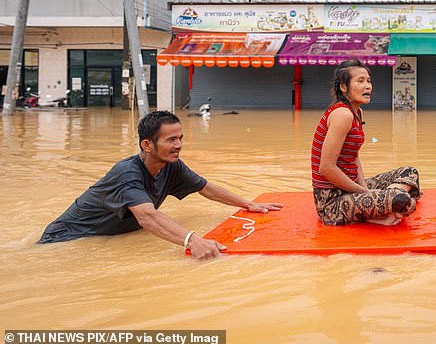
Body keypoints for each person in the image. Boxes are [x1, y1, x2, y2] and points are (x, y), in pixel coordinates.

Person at [38, 110, 282, 259]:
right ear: (147, 145)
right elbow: (147, 217)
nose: (178, 145)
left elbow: (205, 188)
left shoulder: (171, 165)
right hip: (66, 241)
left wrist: (247, 204)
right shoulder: (127, 173)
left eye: (180, 138)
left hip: (104, 237)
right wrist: (192, 240)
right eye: (171, 140)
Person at [311, 59, 421, 226]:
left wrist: (367, 193)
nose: (368, 86)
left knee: (410, 172)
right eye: (360, 81)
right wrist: (366, 193)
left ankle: (382, 207)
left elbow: (354, 156)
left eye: (369, 81)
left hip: (350, 187)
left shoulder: (357, 113)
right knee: (403, 201)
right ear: (343, 87)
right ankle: (384, 207)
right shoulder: (342, 115)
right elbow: (326, 167)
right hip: (332, 204)